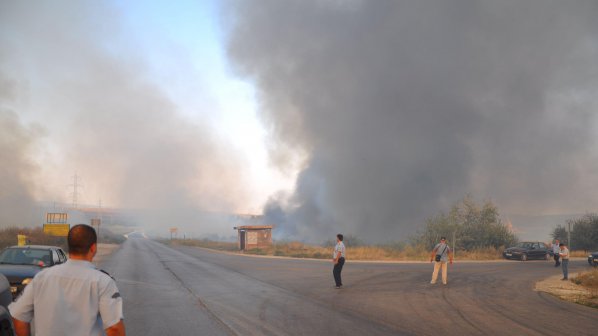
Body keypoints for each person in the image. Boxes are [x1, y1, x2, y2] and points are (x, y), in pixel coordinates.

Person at [9, 224, 126, 336]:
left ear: (69, 247)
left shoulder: (42, 277)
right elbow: (114, 328)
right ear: (93, 248)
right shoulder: (103, 281)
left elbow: (18, 315)